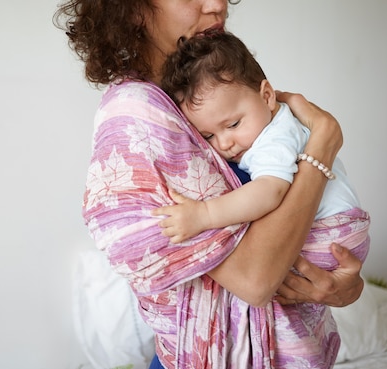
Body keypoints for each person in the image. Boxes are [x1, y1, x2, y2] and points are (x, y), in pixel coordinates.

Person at [54, 1, 366, 368]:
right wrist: (324, 142)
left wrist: (346, 287)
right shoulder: (139, 117)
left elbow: (296, 235)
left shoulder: (214, 94)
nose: (217, 4)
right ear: (132, 9)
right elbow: (255, 279)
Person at [154, 30, 371, 367]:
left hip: (332, 233)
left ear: (267, 95)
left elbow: (270, 191)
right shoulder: (271, 127)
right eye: (209, 135)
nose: (225, 143)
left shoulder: (274, 138)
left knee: (279, 310)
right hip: (340, 234)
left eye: (233, 123)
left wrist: (205, 215)